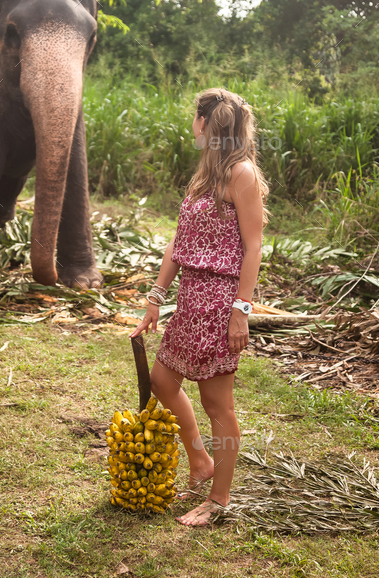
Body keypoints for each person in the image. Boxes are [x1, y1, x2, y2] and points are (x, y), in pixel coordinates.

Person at [130, 88, 268, 528]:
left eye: (195, 118)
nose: (192, 125)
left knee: (217, 403)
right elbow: (178, 241)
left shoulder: (241, 174)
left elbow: (253, 246)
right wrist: (156, 298)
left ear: (205, 123)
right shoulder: (205, 175)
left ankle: (219, 499)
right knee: (162, 380)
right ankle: (200, 459)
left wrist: (241, 309)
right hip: (190, 297)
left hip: (220, 301)